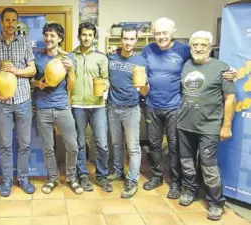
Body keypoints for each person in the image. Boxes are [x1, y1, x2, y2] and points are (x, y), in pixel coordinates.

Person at [141, 18, 237, 199]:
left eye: (165, 33)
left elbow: (205, 59)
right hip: (153, 105)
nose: (161, 37)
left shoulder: (184, 49)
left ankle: (177, 184)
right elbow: (136, 64)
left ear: (173, 33)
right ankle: (157, 177)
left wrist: (230, 69)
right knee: (153, 144)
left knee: (175, 147)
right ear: (153, 34)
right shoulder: (148, 50)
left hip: (175, 107)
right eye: (158, 33)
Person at [177, 31, 235, 221]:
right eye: (195, 45)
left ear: (210, 48)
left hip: (209, 126)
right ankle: (191, 191)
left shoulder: (222, 68)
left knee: (208, 166)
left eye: (204, 45)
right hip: (184, 124)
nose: (199, 48)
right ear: (191, 47)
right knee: (186, 162)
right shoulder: (186, 65)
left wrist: (226, 126)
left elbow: (230, 98)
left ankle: (216, 202)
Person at [0, 7, 36, 197]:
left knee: (25, 143)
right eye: (7, 20)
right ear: (1, 22)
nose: (11, 24)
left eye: (14, 20)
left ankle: (23, 179)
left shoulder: (24, 44)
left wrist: (15, 71)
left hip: (23, 100)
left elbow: (32, 71)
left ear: (17, 22)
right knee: (5, 144)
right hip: (2, 103)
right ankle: (6, 181)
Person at [32, 23, 83, 195]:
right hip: (42, 108)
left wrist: (70, 70)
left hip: (62, 107)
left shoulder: (68, 58)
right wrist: (36, 83)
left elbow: (71, 86)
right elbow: (30, 80)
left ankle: (71, 178)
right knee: (48, 147)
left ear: (60, 39)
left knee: (72, 146)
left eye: (52, 35)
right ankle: (52, 178)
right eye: (46, 35)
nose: (48, 38)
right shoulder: (37, 57)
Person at [106, 26, 149, 198]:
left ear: (136, 41)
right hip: (112, 107)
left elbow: (145, 92)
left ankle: (132, 179)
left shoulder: (141, 62)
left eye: (132, 39)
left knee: (133, 147)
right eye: (125, 39)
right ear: (120, 40)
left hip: (131, 109)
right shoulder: (111, 56)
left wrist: (144, 84)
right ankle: (117, 171)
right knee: (116, 144)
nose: (128, 42)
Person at [71, 22, 112, 192]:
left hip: (98, 105)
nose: (86, 38)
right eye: (84, 34)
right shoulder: (71, 56)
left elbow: (106, 79)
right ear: (79, 36)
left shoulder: (101, 57)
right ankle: (83, 175)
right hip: (77, 105)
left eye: (90, 35)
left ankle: (102, 176)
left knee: (101, 143)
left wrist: (104, 86)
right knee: (80, 142)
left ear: (94, 37)